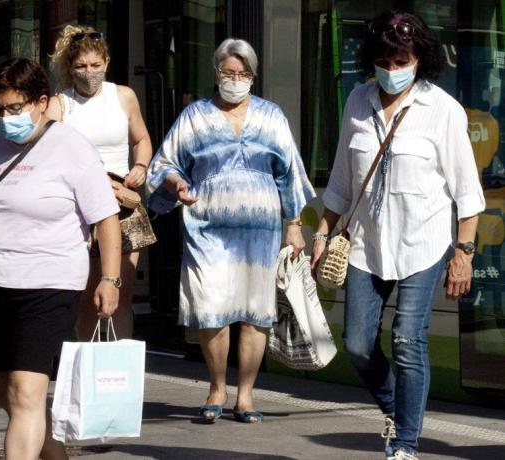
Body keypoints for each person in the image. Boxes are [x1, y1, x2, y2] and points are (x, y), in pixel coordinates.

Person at [310, 11, 485, 460]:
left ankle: (405, 443)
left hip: (422, 244)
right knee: (356, 344)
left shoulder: (442, 110)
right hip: (367, 246)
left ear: (419, 59)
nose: (392, 70)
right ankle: (395, 407)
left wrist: (463, 251)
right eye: (385, 60)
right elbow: (344, 183)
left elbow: (467, 190)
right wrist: (323, 231)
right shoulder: (357, 101)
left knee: (408, 339)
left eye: (401, 60)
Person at [0, 58, 121, 460]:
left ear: (41, 102)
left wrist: (111, 278)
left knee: (24, 393)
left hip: (47, 285)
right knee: (3, 392)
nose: (6, 118)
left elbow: (106, 218)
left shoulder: (72, 148)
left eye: (14, 109)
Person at [146, 38, 315, 424]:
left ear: (253, 77)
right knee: (211, 309)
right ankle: (217, 386)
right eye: (228, 73)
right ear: (216, 73)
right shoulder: (195, 115)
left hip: (261, 231)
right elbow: (164, 164)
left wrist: (294, 226)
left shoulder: (272, 116)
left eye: (243, 74)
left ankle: (247, 394)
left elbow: (289, 174)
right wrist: (176, 184)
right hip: (207, 228)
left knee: (255, 312)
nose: (235, 80)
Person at [46, 25, 155, 341]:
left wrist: (141, 166)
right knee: (88, 296)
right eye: (81, 67)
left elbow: (142, 138)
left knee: (120, 295)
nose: (89, 73)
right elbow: (50, 156)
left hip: (123, 204)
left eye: (95, 65)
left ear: (106, 62)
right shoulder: (60, 104)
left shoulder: (123, 96)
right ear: (69, 68)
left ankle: (117, 369)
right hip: (81, 209)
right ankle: (87, 364)